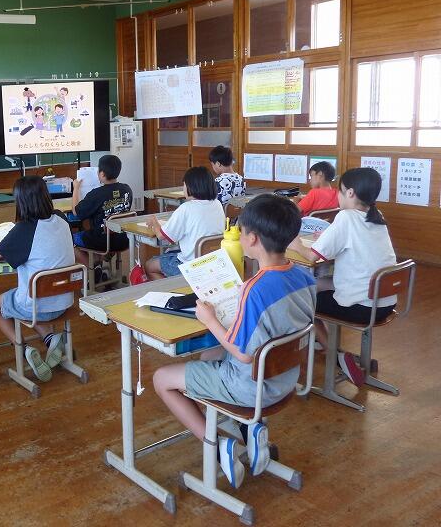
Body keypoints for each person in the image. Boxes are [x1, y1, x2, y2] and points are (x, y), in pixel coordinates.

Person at [153, 194, 315, 487]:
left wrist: (210, 320)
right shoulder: (305, 276)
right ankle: (249, 430)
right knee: (209, 355)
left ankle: (217, 446)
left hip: (251, 388)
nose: (238, 237)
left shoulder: (255, 289)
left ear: (252, 239)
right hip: (286, 379)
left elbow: (243, 354)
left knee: (161, 378)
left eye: (240, 232)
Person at [288, 167, 396, 386]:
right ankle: (341, 354)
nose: (338, 194)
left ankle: (336, 355)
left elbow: (311, 256)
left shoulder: (346, 217)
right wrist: (327, 235)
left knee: (302, 300)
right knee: (313, 285)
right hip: (385, 302)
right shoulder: (376, 216)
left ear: (350, 193)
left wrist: (296, 244)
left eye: (341, 190)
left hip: (363, 306)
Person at [0, 176, 74, 383]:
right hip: (64, 301)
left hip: (36, 306)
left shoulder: (24, 229)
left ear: (21, 201)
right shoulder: (62, 219)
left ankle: (24, 349)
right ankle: (50, 339)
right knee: (30, 298)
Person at [145, 167, 225, 280]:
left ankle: (171, 290)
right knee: (170, 253)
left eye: (184, 185)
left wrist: (154, 221)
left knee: (149, 266)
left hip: (191, 266)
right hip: (213, 262)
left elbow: (162, 236)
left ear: (190, 187)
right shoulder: (217, 204)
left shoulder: (186, 208)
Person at [71, 154, 132, 278]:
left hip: (102, 241)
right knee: (95, 236)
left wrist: (76, 188)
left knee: (70, 240)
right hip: (123, 239)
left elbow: (76, 212)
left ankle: (93, 267)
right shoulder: (127, 189)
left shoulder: (96, 194)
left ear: (102, 174)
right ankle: (101, 260)